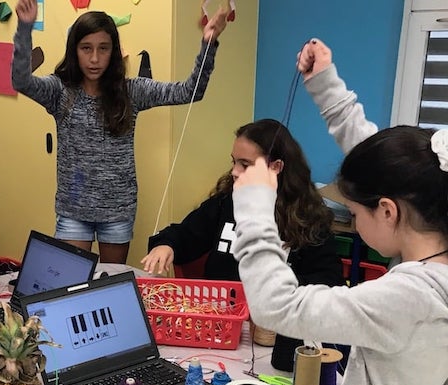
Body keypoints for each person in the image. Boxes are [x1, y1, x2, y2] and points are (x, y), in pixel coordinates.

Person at [233, 124, 448, 385]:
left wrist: (255, 208)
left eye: (355, 213)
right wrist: (324, 85)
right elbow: (391, 161)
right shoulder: (434, 271)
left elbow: (275, 306)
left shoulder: (407, 297)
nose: (355, 222)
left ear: (387, 211)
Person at [11, 0, 228, 263]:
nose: (94, 58)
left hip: (117, 212)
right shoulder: (60, 91)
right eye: (86, 48)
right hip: (73, 210)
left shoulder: (132, 91)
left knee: (108, 284)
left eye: (103, 49)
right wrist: (24, 28)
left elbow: (189, 91)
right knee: (71, 286)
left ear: (113, 52)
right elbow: (21, 81)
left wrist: (209, 44)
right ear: (74, 51)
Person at [142, 119, 343, 371]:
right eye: (234, 161)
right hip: (218, 332)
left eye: (245, 164)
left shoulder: (309, 219)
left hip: (275, 340)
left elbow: (328, 281)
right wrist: (167, 245)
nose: (235, 171)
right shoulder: (227, 202)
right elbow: (185, 234)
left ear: (276, 167)